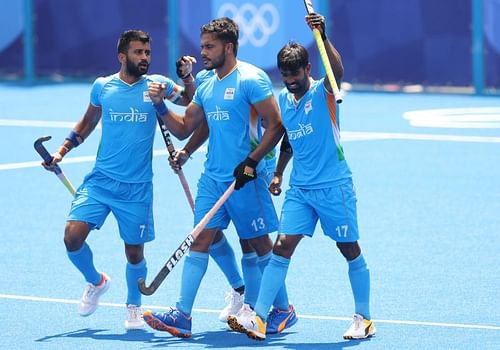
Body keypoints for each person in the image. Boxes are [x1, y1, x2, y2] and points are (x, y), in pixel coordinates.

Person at [143, 17, 296, 338]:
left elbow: (276, 124)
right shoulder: (206, 82)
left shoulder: (251, 80)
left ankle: (283, 308)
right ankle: (182, 315)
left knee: (257, 244)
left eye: (209, 47)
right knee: (201, 238)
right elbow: (186, 126)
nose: (203, 53)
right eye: (202, 47)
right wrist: (159, 107)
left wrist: (253, 162)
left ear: (229, 47)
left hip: (246, 179)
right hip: (213, 179)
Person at [227, 13, 376, 341]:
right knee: (282, 247)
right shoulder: (283, 99)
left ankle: (364, 319)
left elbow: (336, 70)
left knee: (348, 248)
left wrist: (321, 36)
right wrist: (278, 173)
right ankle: (260, 318)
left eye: (296, 74)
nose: (291, 80)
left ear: (308, 69)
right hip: (301, 189)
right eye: (285, 75)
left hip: (334, 185)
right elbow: (290, 139)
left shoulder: (325, 92)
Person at [41, 30, 197, 330]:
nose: (145, 58)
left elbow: (190, 99)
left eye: (148, 53)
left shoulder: (159, 85)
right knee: (72, 237)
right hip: (100, 182)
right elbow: (87, 122)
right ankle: (96, 282)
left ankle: (134, 305)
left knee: (134, 252)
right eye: (139, 52)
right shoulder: (103, 87)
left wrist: (188, 76)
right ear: (122, 56)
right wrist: (61, 151)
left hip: (136, 188)